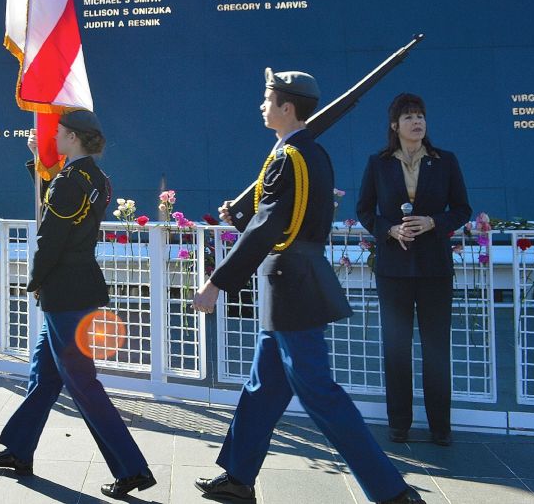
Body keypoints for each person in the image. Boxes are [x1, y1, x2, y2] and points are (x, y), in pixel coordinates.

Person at [192, 69, 422, 504]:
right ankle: (239, 478)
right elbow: (292, 221)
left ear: (286, 107)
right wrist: (245, 218)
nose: (262, 106)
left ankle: (392, 492)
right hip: (294, 282)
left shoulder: (288, 158)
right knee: (264, 388)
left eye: (267, 99)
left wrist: (217, 282)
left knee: (319, 394)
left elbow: (269, 228)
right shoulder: (311, 154)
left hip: (292, 288)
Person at [0, 110, 156, 500]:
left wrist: (34, 281)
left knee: (82, 383)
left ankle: (131, 468)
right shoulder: (96, 179)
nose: (52, 136)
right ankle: (18, 450)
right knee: (43, 377)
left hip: (65, 291)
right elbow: (64, 209)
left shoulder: (69, 181)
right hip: (81, 286)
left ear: (74, 138)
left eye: (58, 132)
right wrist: (39, 166)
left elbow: (50, 237)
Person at [356, 93, 471, 446]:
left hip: (435, 268)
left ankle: (440, 427)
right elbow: (364, 210)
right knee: (396, 347)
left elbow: (462, 209)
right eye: (408, 117)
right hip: (393, 269)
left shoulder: (445, 161)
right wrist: (389, 229)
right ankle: (399, 424)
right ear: (395, 125)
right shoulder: (379, 163)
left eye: (420, 116)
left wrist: (434, 222)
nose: (417, 122)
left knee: (436, 347)